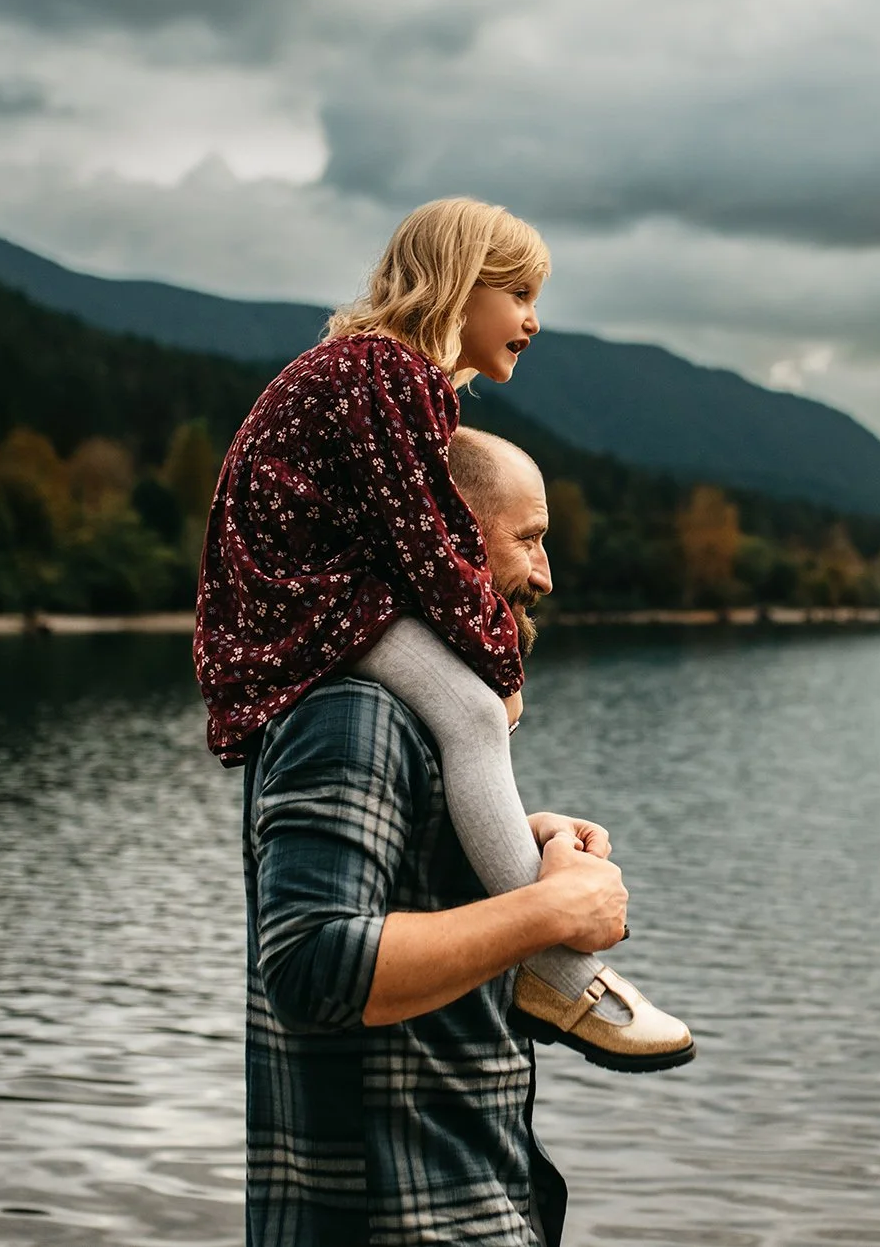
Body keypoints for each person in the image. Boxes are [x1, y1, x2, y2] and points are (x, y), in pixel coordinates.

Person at [195, 197, 692, 1070]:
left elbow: (422, 537)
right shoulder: (388, 375)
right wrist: (498, 664)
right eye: (520, 295)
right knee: (468, 711)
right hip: (311, 599)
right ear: (461, 287)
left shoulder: (364, 372)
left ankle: (544, 943)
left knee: (463, 715)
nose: (534, 321)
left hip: (304, 593)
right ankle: (561, 972)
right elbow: (427, 539)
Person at [239, 431, 610, 1244]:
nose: (546, 576)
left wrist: (513, 845)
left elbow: (389, 912)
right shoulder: (353, 714)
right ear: (440, 535)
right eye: (530, 539)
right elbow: (312, 962)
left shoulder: (416, 721)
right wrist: (550, 915)